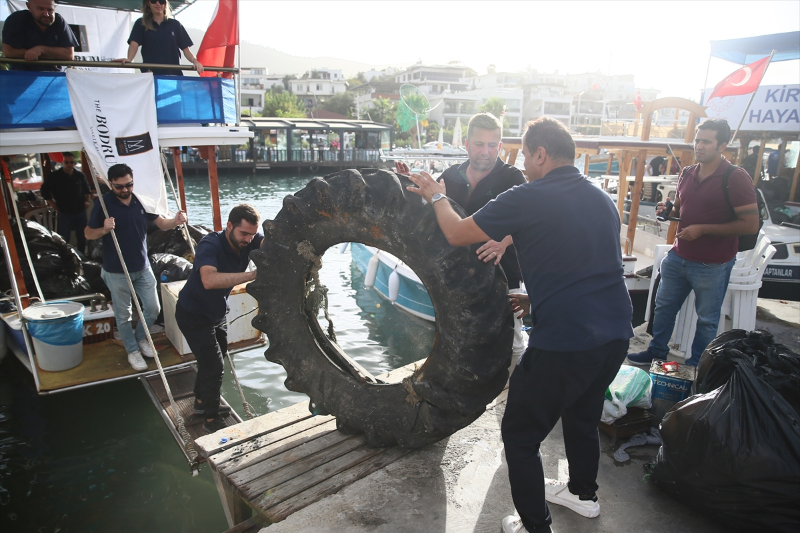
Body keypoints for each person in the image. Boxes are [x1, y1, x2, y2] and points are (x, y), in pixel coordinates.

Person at [406, 117, 634, 533]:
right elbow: (594, 266)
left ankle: (534, 526)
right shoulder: (601, 199)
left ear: (542, 154)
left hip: (567, 341)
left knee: (520, 434)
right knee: (582, 415)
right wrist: (537, 296)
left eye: (527, 154)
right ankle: (583, 495)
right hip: (616, 332)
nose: (524, 162)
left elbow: (458, 233)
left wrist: (437, 195)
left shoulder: (527, 196)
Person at [627, 119, 758, 367]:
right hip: (679, 256)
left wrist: (703, 230)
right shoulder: (687, 172)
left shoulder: (736, 177)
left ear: (722, 145)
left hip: (713, 263)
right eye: (697, 140)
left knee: (707, 320)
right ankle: (656, 352)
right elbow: (679, 208)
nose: (699, 146)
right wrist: (667, 209)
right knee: (663, 308)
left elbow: (750, 225)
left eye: (706, 141)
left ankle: (697, 366)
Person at [397, 112, 527, 363]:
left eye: (492, 145)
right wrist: (407, 184)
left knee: (512, 342)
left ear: (500, 146)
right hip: (458, 276)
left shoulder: (513, 178)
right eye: (479, 144)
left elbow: (528, 220)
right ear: (466, 145)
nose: (486, 151)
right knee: (462, 341)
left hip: (502, 274)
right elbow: (433, 211)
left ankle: (513, 393)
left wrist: (505, 240)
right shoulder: (450, 175)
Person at [85, 163, 187, 372]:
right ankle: (132, 350)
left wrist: (175, 221)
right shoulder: (103, 204)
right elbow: (88, 233)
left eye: (128, 185)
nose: (124, 190)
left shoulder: (141, 199)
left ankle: (141, 338)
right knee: (124, 315)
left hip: (142, 266)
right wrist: (104, 229)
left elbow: (161, 223)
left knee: (152, 308)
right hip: (116, 270)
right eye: (119, 186)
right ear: (110, 184)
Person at [175, 204, 263, 434]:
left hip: (216, 312)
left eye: (252, 234)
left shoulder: (249, 240)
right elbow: (209, 280)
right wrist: (252, 275)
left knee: (214, 357)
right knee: (213, 365)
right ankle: (211, 421)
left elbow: (268, 244)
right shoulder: (210, 244)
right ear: (229, 226)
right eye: (244, 233)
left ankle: (201, 403)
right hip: (193, 313)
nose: (248, 239)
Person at [118, 0, 203, 76]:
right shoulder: (141, 23)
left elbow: (186, 50)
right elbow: (134, 44)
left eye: (161, 1)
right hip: (150, 75)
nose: (158, 3)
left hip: (173, 75)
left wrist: (195, 61)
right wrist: (129, 59)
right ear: (148, 3)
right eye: (154, 1)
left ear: (165, 3)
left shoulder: (175, 25)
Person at [1, 0, 78, 71]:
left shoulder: (59, 21)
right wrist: (50, 56)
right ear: (29, 7)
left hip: (52, 78)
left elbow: (69, 55)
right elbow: (8, 52)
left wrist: (41, 49)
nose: (46, 14)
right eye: (40, 9)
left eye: (50, 10)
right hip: (21, 76)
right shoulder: (16, 19)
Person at [40, 152, 91, 253]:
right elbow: (44, 190)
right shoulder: (55, 176)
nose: (69, 164)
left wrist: (87, 201)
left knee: (82, 236)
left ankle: (82, 257)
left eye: (71, 162)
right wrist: (52, 203)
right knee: (64, 238)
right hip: (64, 211)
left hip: (80, 210)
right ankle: (65, 257)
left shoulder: (80, 175)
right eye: (67, 162)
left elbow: (87, 190)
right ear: (62, 162)